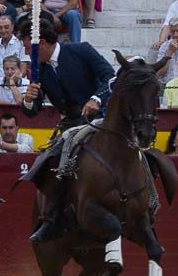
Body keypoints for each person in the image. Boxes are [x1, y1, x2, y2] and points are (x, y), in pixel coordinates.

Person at [17, 14, 116, 243]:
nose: (26, 54)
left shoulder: (81, 50)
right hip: (70, 125)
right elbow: (32, 112)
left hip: (101, 119)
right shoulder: (38, 69)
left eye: (27, 48)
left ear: (41, 43)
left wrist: (95, 99)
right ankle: (51, 219)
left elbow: (110, 78)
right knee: (48, 164)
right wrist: (29, 99)